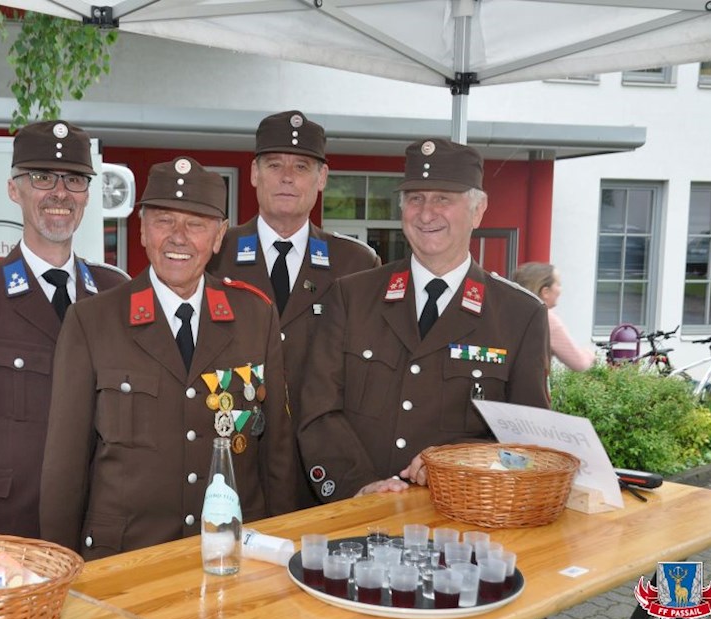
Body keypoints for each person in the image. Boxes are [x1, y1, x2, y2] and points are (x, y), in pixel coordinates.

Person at [40, 156, 296, 558]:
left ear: (219, 236)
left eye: (195, 224)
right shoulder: (93, 321)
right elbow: (65, 468)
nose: (178, 238)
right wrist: (60, 566)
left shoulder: (255, 317)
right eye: (164, 221)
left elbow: (277, 455)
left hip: (230, 555)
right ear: (142, 230)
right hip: (126, 559)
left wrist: (281, 554)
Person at [297, 138, 551, 501]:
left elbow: (529, 442)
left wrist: (459, 463)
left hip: (460, 516)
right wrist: (359, 484)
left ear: (478, 210)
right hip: (358, 511)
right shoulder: (352, 296)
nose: (426, 214)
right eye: (415, 198)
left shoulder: (520, 315)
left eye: (443, 199)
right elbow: (318, 410)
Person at [0, 120, 129, 538]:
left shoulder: (115, 292)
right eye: (42, 178)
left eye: (74, 179)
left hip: (101, 526)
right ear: (13, 189)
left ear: (87, 195)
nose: (60, 193)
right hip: (12, 530)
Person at [208, 110, 380, 508]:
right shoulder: (216, 254)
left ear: (322, 178)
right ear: (254, 174)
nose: (287, 177)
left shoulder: (355, 264)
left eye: (301, 166)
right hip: (234, 465)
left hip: (324, 470)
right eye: (274, 165)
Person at [513, 262, 596, 372]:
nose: (560, 290)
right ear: (545, 292)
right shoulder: (546, 319)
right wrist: (590, 354)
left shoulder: (510, 312)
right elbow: (580, 363)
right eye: (558, 284)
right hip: (530, 382)